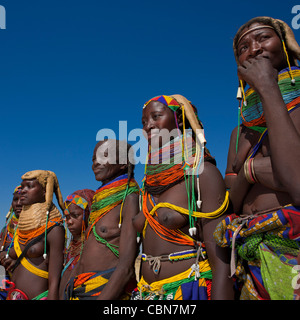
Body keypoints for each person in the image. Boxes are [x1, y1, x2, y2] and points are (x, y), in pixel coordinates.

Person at [214, 17, 300, 300]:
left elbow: (297, 184)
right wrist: (253, 170)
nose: (252, 49)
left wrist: (267, 87)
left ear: (285, 44)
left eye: (263, 38)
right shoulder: (239, 133)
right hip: (249, 255)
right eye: (243, 47)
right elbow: (232, 202)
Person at [132, 94, 234, 300]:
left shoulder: (202, 174)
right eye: (144, 122)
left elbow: (222, 265)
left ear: (178, 120)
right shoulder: (147, 183)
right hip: (147, 293)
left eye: (156, 116)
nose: (148, 126)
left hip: (189, 290)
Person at [63, 139, 140, 300]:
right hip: (78, 290)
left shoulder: (129, 200)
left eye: (104, 156)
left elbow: (126, 268)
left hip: (105, 292)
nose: (96, 163)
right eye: (93, 159)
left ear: (123, 163)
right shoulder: (99, 202)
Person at [5, 170, 65, 300]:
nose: (23, 191)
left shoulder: (54, 229)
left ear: (44, 191)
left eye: (30, 187)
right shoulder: (20, 228)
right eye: (22, 187)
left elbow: (55, 279)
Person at [59, 189, 95, 299]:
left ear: (89, 213)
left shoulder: (94, 247)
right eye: (67, 217)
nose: (69, 221)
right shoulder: (69, 248)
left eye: (75, 215)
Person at [0, 185, 22, 299]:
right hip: (5, 286)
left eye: (22, 200)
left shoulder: (38, 230)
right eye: (15, 199)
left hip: (27, 286)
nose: (18, 203)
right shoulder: (6, 230)